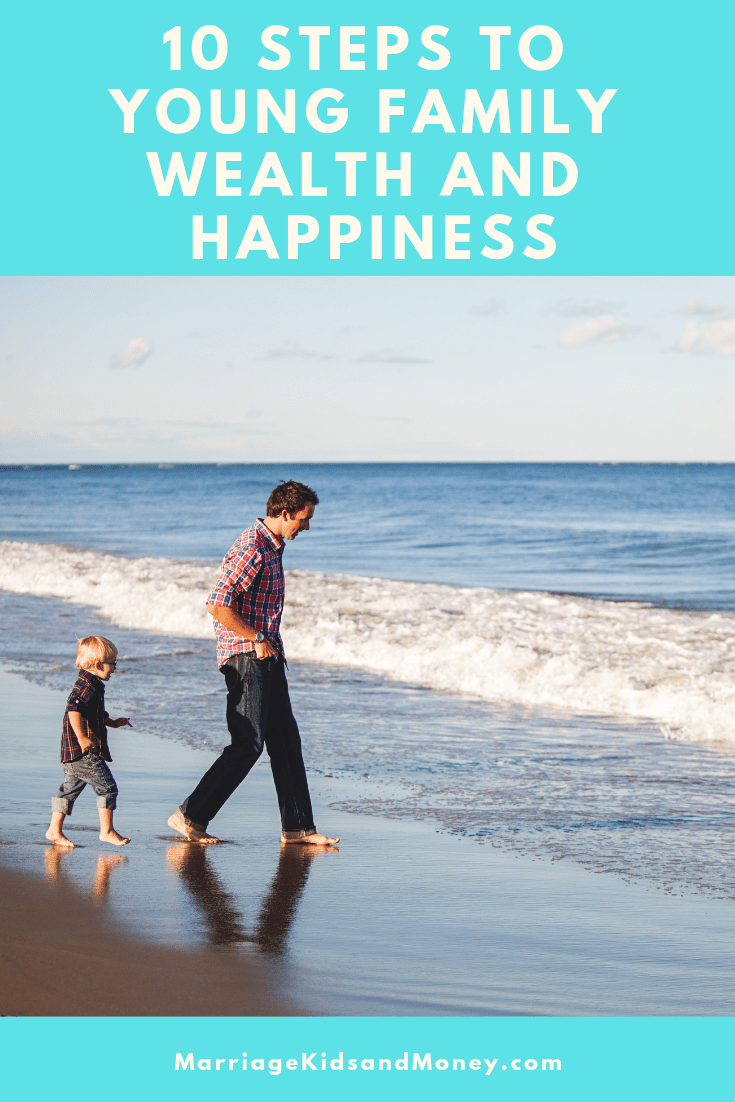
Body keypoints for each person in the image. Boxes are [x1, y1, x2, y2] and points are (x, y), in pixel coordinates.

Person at [168, 480, 338, 847]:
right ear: (284, 513)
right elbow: (217, 602)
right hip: (247, 657)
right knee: (249, 743)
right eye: (304, 520)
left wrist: (267, 643)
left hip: (267, 656)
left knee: (286, 743)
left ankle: (298, 828)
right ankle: (191, 816)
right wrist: (256, 637)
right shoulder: (253, 547)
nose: (307, 527)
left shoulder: (271, 546)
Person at [45, 635, 132, 848]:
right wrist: (83, 737)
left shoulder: (90, 683)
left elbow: (92, 714)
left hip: (72, 752)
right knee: (108, 789)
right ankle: (107, 831)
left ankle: (54, 831)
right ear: (98, 664)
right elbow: (73, 710)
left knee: (68, 790)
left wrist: (112, 722)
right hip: (84, 751)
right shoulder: (87, 685)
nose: (114, 669)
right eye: (113, 664)